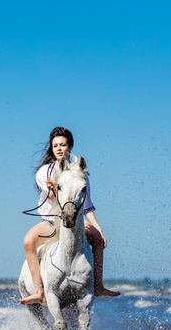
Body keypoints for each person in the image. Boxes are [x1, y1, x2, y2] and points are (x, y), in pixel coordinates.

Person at [19, 126, 120, 305]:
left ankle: (99, 286)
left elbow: (87, 206)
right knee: (28, 241)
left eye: (63, 145)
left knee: (97, 238)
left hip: (76, 222)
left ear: (70, 147)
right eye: (55, 145)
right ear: (52, 148)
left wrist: (99, 229)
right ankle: (39, 291)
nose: (59, 148)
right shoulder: (45, 172)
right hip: (52, 222)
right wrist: (54, 188)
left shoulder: (79, 173)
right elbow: (52, 198)